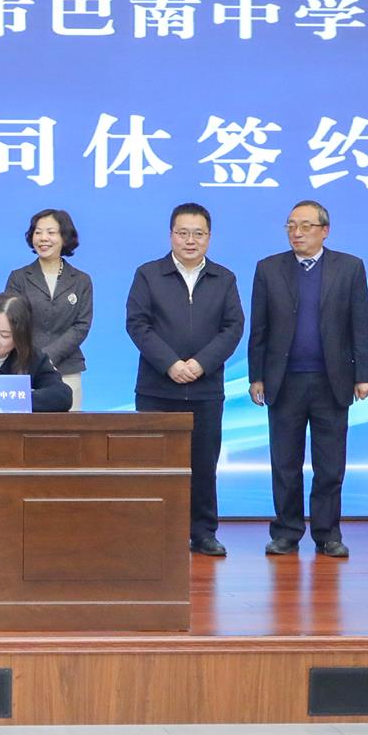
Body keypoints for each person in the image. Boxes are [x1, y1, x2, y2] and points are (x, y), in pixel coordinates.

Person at [249, 200, 368, 559]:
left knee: (330, 465)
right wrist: (256, 376)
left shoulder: (349, 267)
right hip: (284, 381)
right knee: (285, 464)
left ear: (325, 230)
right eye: (291, 226)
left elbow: (360, 324)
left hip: (332, 381)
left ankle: (327, 533)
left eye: (305, 226)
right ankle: (286, 532)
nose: (297, 233)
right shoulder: (268, 268)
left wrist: (364, 374)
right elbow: (259, 328)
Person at [126, 202, 245, 557]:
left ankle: (203, 532)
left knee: (204, 465)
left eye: (198, 233)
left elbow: (233, 328)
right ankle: (152, 531)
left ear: (209, 237)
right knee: (153, 464)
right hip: (157, 388)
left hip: (205, 389)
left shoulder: (224, 278)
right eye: (183, 233)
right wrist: (171, 364)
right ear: (171, 235)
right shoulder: (149, 274)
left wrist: (200, 364)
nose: (190, 240)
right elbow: (137, 324)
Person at [2, 208, 93, 410]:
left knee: (69, 427)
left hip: (67, 368)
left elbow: (81, 326)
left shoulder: (81, 280)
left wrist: (49, 356)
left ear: (64, 237)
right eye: (38, 232)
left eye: (51, 232)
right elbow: (10, 321)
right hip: (24, 368)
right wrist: (33, 359)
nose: (43, 238)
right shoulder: (19, 277)